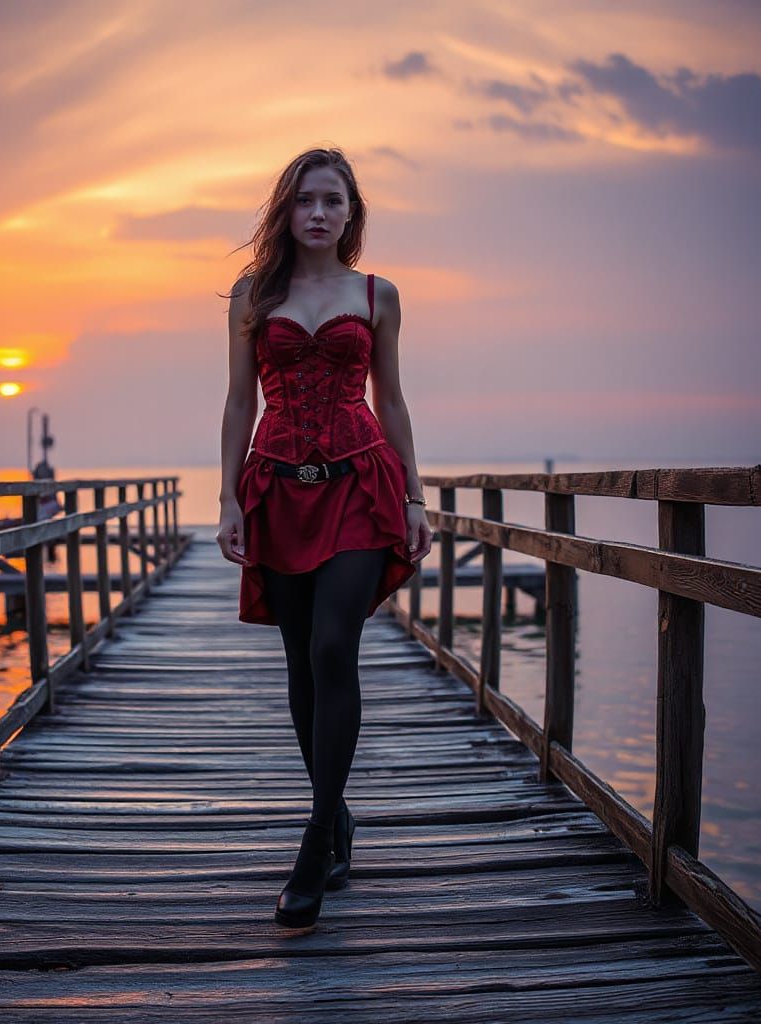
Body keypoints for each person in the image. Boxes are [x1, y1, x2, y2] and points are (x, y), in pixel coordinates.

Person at [216, 147, 432, 929]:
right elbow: (240, 404)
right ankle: (336, 813)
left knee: (334, 649)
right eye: (305, 199)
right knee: (301, 660)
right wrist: (228, 498)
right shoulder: (251, 295)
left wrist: (415, 496)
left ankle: (314, 839)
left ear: (351, 213)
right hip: (276, 488)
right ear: (288, 209)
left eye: (332, 200)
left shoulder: (378, 294)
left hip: (361, 484)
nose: (318, 212)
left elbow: (395, 401)